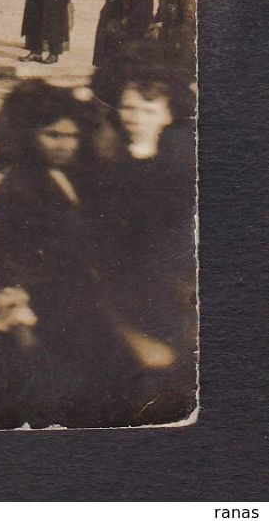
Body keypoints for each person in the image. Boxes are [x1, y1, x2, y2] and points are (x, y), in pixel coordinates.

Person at [0, 81, 114, 428]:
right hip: (28, 312)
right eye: (53, 135)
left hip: (66, 304)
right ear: (31, 135)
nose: (65, 145)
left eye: (72, 136)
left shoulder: (67, 177)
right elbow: (5, 260)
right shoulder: (17, 190)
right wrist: (21, 324)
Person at [83, 53, 198, 425]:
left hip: (163, 290)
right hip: (118, 290)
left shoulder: (181, 163)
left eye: (148, 110)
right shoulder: (111, 159)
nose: (134, 116)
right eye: (129, 108)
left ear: (168, 113)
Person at [150, 0, 197, 78]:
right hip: (166, 41)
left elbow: (190, 21)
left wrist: (176, 40)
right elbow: (161, 13)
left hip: (179, 44)